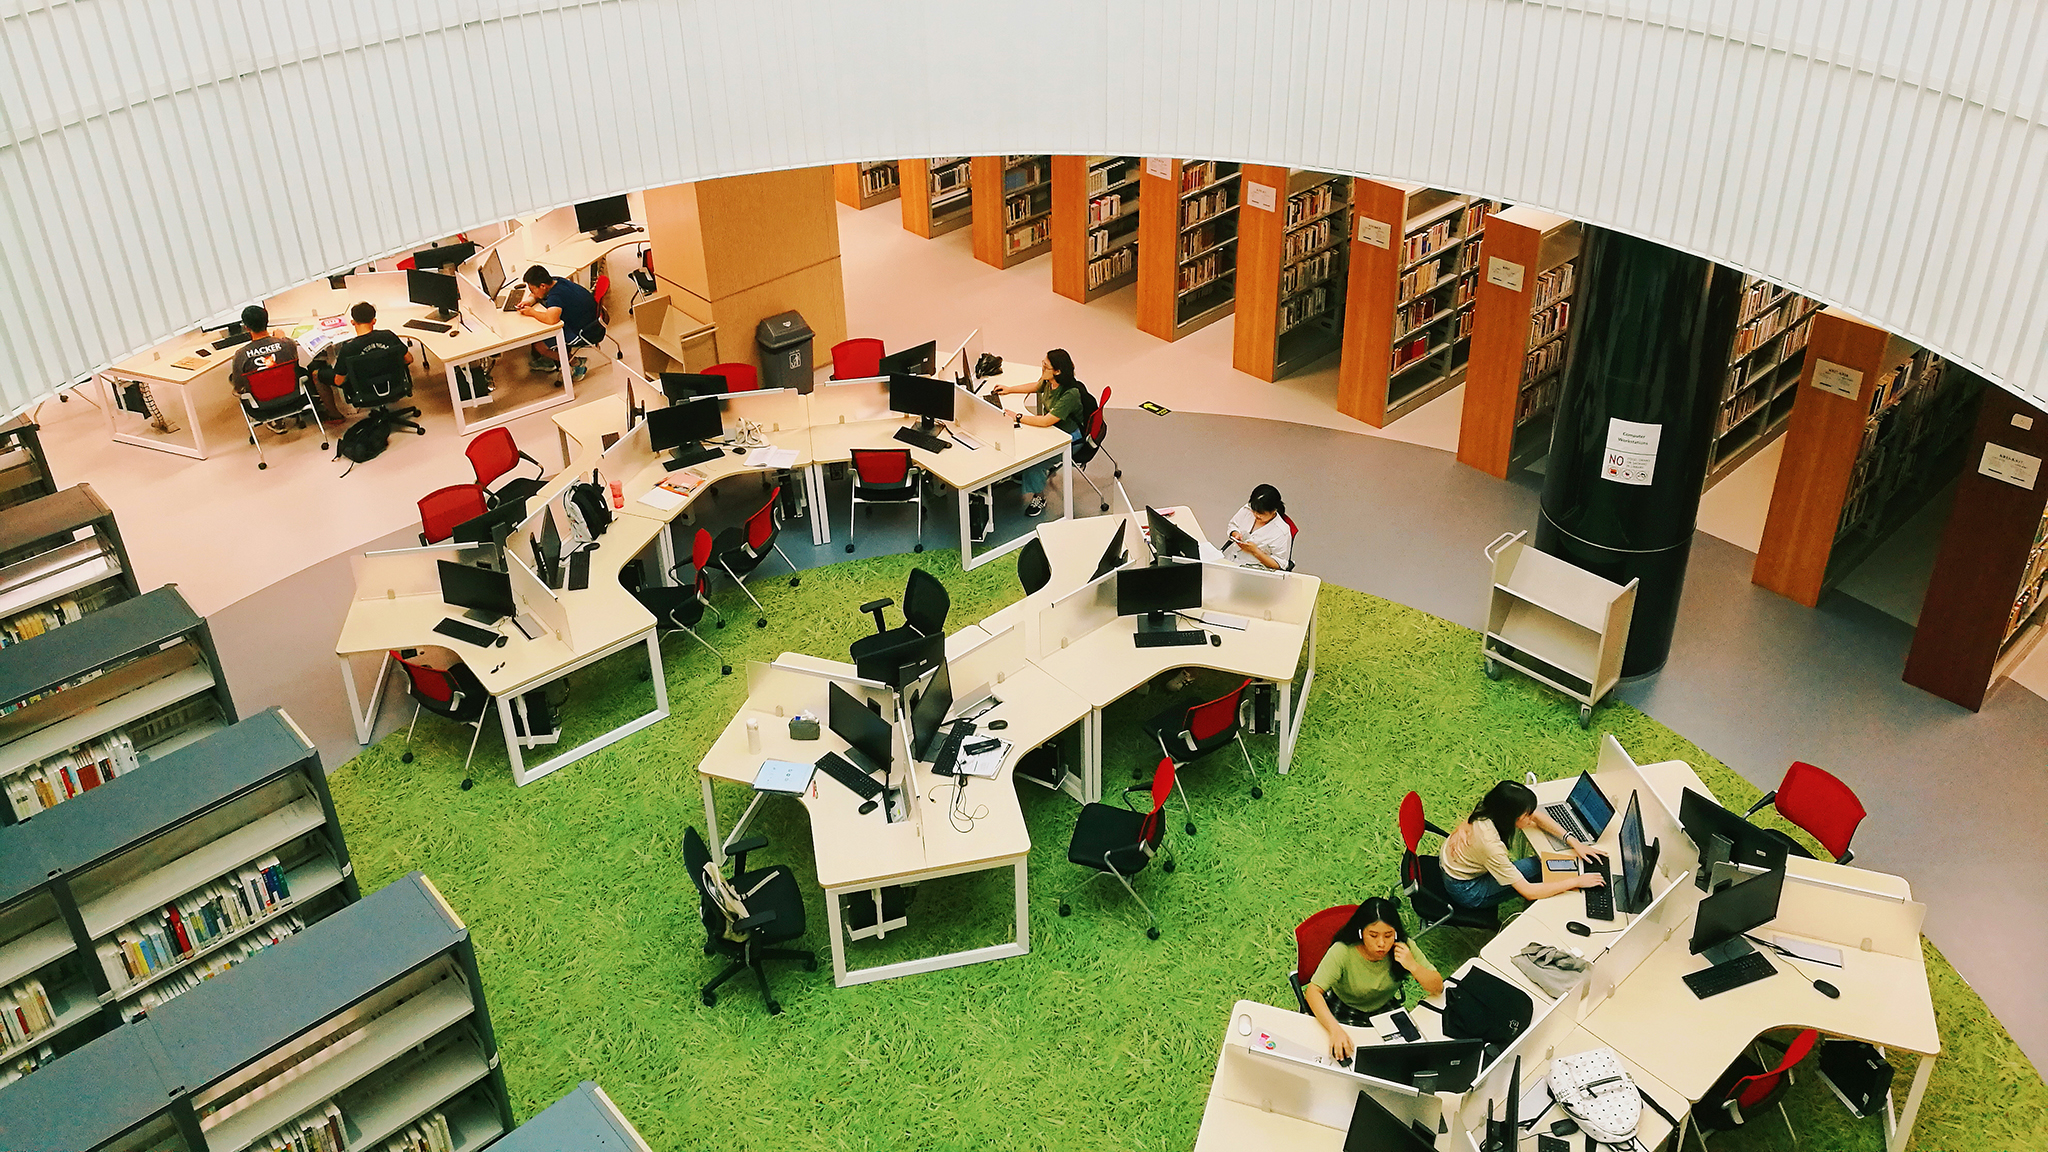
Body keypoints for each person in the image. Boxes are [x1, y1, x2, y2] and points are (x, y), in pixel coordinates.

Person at [1304, 898, 1444, 1060]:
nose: (1381, 943)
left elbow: (1437, 986)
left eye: (1388, 935)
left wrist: (1413, 965)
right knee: (1346, 1055)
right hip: (1345, 1006)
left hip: (1384, 1005)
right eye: (1373, 935)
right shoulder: (1342, 951)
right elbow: (1313, 991)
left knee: (1408, 1053)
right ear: (1360, 932)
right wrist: (1335, 1030)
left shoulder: (1403, 947)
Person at [1440, 781, 1607, 909]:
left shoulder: (1490, 807)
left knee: (1544, 865)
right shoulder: (1491, 847)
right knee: (1541, 867)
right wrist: (1577, 881)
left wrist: (1574, 842)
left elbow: (1536, 816)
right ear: (1510, 817)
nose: (1531, 819)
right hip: (1468, 889)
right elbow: (1529, 892)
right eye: (1526, 815)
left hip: (1452, 866)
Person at [993, 349, 1088, 516]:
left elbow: (1045, 421)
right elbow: (1036, 386)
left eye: (1046, 366)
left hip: (1069, 439)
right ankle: (1021, 474)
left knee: (1034, 460)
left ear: (1057, 371)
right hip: (1053, 430)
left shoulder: (1070, 394)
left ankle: (1039, 496)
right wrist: (1010, 389)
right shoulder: (1049, 380)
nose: (1042, 369)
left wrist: (1017, 417)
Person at [517, 266, 604, 382]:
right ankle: (551, 359)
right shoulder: (557, 281)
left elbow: (551, 319)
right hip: (592, 321)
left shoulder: (555, 297)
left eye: (533, 290)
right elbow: (536, 295)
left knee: (539, 344)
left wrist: (532, 312)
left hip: (584, 332)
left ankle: (576, 363)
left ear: (542, 286)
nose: (532, 293)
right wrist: (528, 302)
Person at [227, 305, 304, 432]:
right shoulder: (287, 344)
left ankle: (276, 421)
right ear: (267, 322)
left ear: (246, 327)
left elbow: (238, 385)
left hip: (261, 406)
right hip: (293, 397)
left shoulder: (241, 355)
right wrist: (281, 339)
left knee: (234, 378)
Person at [329, 302, 413, 411]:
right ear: (374, 321)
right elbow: (409, 359)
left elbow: (339, 381)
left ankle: (334, 416)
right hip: (395, 386)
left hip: (365, 393)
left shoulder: (349, 349)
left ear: (353, 322)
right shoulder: (388, 336)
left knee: (317, 374)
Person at [1219, 484, 1293, 570]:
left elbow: (1279, 564)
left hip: (1255, 570)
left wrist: (1255, 551)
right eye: (1254, 511)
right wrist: (1235, 533)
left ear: (1274, 510)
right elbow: (1233, 525)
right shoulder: (1247, 509)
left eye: (1261, 513)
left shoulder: (1282, 531)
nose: (1256, 515)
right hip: (1232, 561)